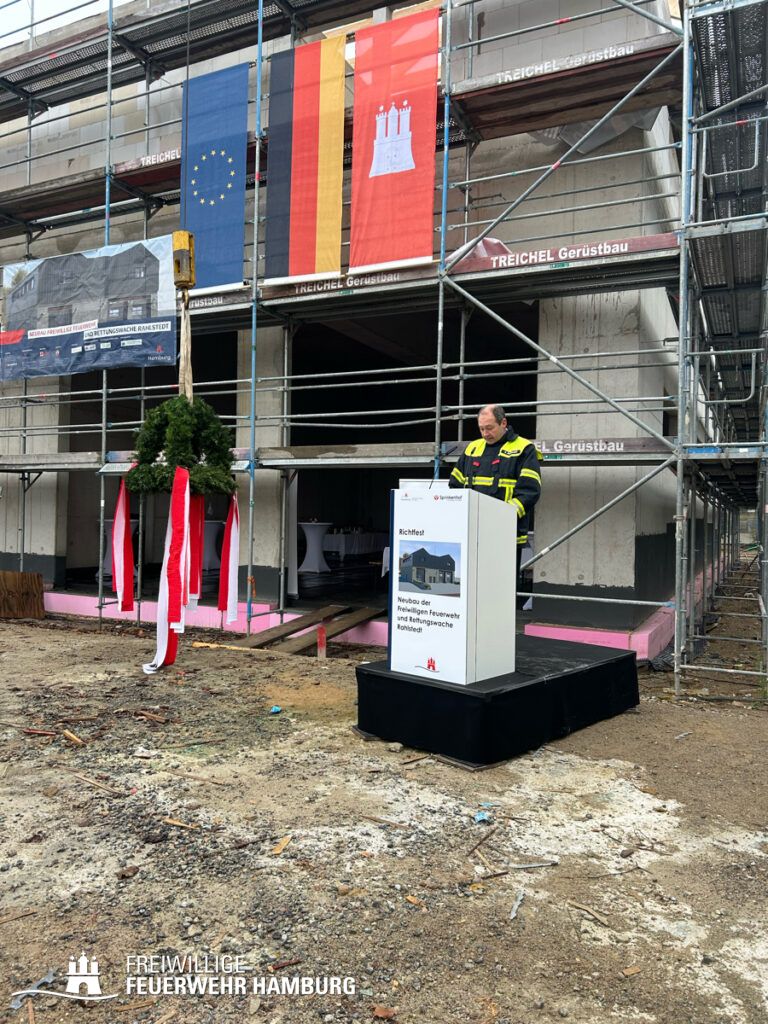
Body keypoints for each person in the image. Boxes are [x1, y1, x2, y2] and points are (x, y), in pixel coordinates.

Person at [448, 404, 542, 594]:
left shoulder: (524, 448)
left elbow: (530, 491)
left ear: (503, 423)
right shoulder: (472, 448)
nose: (485, 433)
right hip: (472, 534)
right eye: (481, 429)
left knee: (501, 591)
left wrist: (501, 517)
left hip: (505, 535)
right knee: (472, 589)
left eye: (490, 428)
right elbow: (455, 485)